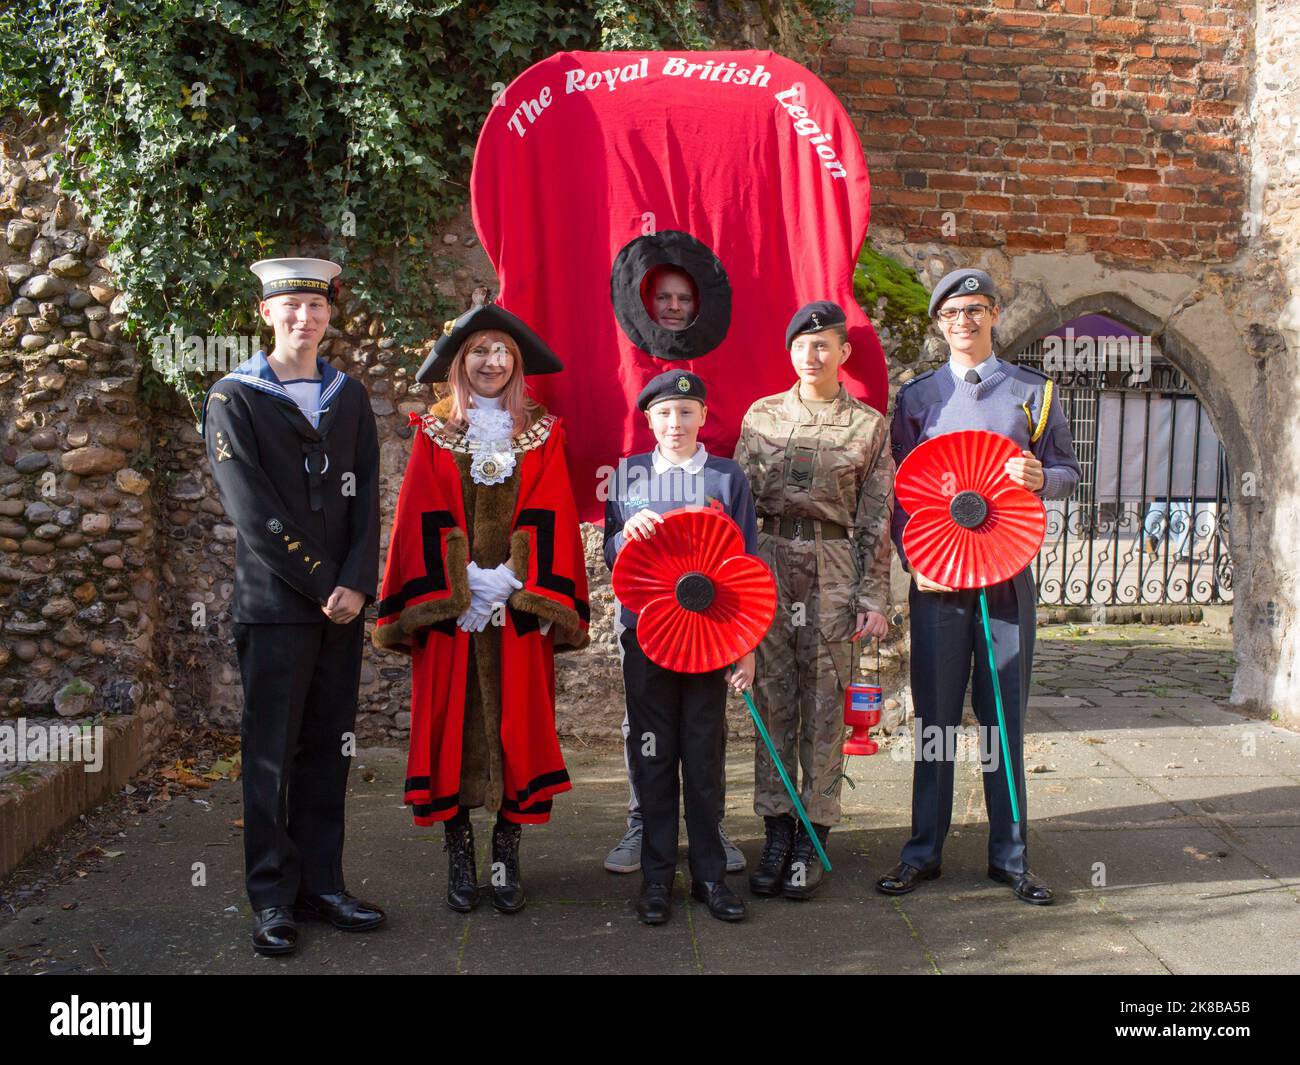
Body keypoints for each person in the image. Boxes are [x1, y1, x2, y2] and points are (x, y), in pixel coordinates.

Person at [374, 303, 589, 915]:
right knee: (452, 725)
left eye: (502, 352)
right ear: (459, 363)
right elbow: (421, 512)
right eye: (479, 352)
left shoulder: (545, 431)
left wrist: (508, 583)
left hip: (517, 611)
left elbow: (553, 511)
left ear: (515, 364)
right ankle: (460, 857)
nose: (492, 361)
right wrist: (460, 583)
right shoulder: (432, 430)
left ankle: (506, 854)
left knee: (516, 726)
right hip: (453, 614)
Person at [876, 268, 1081, 906]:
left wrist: (1038, 477)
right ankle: (922, 853)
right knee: (934, 717)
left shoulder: (1033, 391)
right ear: (940, 323)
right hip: (938, 579)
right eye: (952, 312)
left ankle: (1011, 857)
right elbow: (898, 495)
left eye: (976, 309)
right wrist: (913, 557)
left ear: (994, 314)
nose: (963, 321)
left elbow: (1070, 470)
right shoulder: (917, 399)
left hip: (1006, 578)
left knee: (1002, 720)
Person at [201, 257, 384, 956]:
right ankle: (272, 898)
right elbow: (253, 512)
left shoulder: (350, 396)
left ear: (329, 315)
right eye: (290, 307)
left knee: (328, 751)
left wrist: (359, 581)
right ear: (265, 313)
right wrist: (323, 583)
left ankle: (323, 885)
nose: (303, 318)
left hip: (343, 606)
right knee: (271, 757)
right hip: (277, 606)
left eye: (315, 306)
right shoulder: (233, 398)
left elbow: (367, 494)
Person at [733, 301, 894, 901]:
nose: (813, 354)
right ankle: (776, 827)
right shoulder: (762, 416)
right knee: (772, 695)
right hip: (768, 561)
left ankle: (813, 831)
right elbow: (738, 505)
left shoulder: (868, 425)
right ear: (790, 352)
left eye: (824, 344)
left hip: (832, 566)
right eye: (802, 344)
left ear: (843, 354)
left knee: (826, 700)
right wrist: (735, 586)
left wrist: (873, 595)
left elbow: (876, 516)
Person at [605, 264, 746, 877]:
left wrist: (746, 642)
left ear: (702, 417)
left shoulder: (727, 477)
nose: (677, 424)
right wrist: (623, 536)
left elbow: (746, 561)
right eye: (666, 414)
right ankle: (645, 831)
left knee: (705, 735)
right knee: (648, 734)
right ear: (650, 421)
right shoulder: (628, 475)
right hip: (645, 626)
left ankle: (710, 836)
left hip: (711, 629)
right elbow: (612, 552)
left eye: (687, 412)